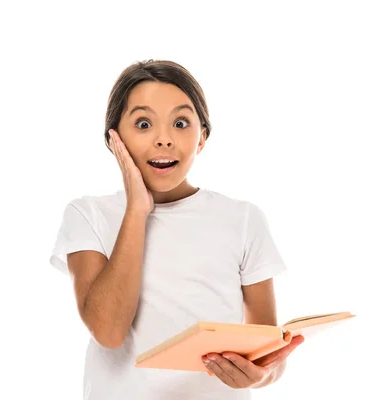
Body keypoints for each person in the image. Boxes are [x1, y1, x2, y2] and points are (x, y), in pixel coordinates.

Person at [49, 59, 304, 400]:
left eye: (181, 123)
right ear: (114, 140)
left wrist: (259, 376)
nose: (164, 140)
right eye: (143, 123)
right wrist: (137, 210)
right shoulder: (88, 215)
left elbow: (267, 352)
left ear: (201, 138)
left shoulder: (242, 219)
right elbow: (108, 331)